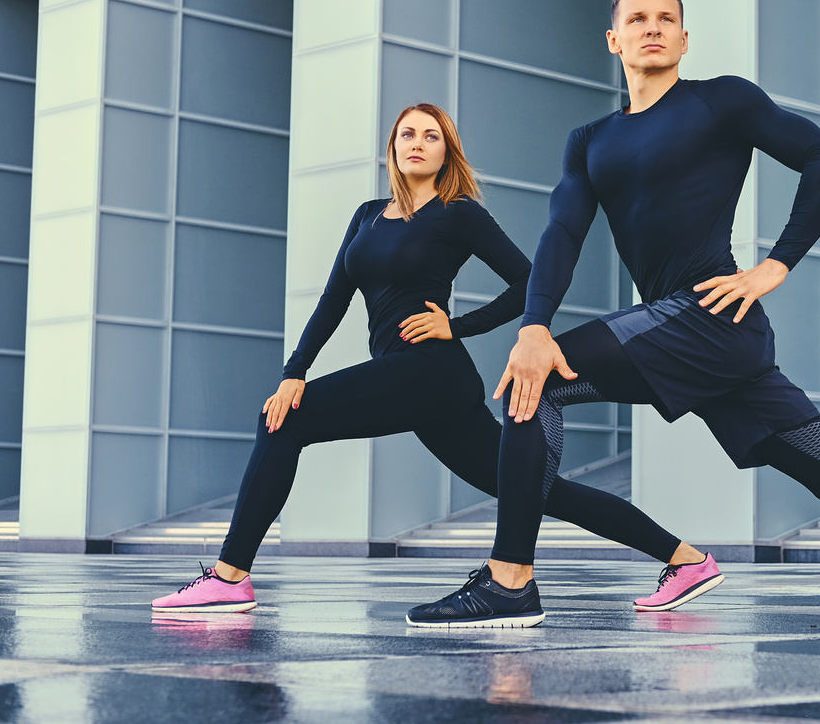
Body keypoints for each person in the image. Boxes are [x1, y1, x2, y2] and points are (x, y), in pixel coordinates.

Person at [407, 0, 820, 629]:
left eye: (664, 18)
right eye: (636, 20)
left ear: (684, 39)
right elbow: (562, 233)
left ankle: (510, 580)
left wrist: (776, 264)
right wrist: (533, 324)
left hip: (710, 319)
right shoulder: (591, 140)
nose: (651, 27)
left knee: (538, 382)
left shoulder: (720, 103)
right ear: (613, 40)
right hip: (697, 335)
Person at [152, 103, 720, 620]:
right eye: (407, 134)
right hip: (417, 382)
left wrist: (459, 325)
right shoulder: (367, 216)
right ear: (392, 147)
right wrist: (293, 371)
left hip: (431, 370)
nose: (417, 143)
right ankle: (687, 560)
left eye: (431, 135)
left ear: (446, 149)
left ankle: (229, 578)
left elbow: (531, 280)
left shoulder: (457, 214)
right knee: (534, 488)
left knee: (283, 423)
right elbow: (333, 301)